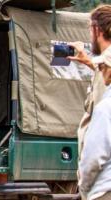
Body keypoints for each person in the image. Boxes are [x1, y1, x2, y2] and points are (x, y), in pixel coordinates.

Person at [68, 5, 111, 200]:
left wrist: (84, 189)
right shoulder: (101, 65)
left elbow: (95, 154)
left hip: (102, 186)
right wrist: (91, 62)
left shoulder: (106, 106)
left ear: (96, 29)